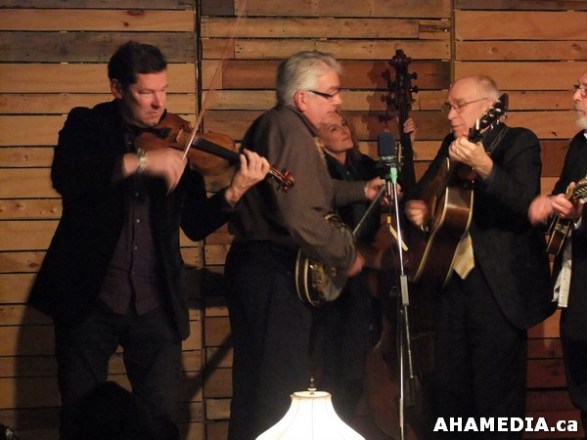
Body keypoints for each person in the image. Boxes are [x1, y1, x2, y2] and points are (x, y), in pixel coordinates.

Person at [27, 41, 270, 440]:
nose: (159, 103)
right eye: (146, 92)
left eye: (163, 90)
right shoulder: (87, 125)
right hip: (89, 300)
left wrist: (234, 191)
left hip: (155, 305)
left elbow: (195, 224)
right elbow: (68, 177)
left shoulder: (178, 139)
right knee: (79, 417)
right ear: (117, 88)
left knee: (160, 420)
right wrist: (139, 161)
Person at [223, 51, 384, 439]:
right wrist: (345, 255)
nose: (338, 101)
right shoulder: (291, 133)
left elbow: (312, 189)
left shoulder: (285, 127)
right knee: (275, 387)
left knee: (262, 383)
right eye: (330, 93)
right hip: (272, 273)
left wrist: (361, 189)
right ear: (301, 97)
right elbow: (299, 213)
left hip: (263, 271)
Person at [404, 75, 554, 438]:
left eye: (459, 106)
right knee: (450, 391)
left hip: (498, 289)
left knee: (497, 399)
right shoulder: (450, 145)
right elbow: (423, 193)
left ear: (489, 108)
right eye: (449, 107)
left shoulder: (519, 141)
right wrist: (421, 208)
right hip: (450, 283)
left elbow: (525, 202)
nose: (450, 115)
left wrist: (486, 166)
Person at [311, 111, 416, 421]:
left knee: (358, 357)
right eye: (333, 128)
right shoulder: (319, 172)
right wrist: (371, 257)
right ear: (320, 140)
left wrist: (407, 146)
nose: (344, 130)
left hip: (364, 275)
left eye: (344, 123)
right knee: (333, 359)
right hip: (332, 274)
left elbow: (399, 188)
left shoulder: (365, 165)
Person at [528, 70, 587, 433]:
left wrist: (580, 215)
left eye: (585, 90)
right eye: (576, 87)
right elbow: (567, 191)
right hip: (575, 285)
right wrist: (550, 204)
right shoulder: (580, 143)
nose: (575, 97)